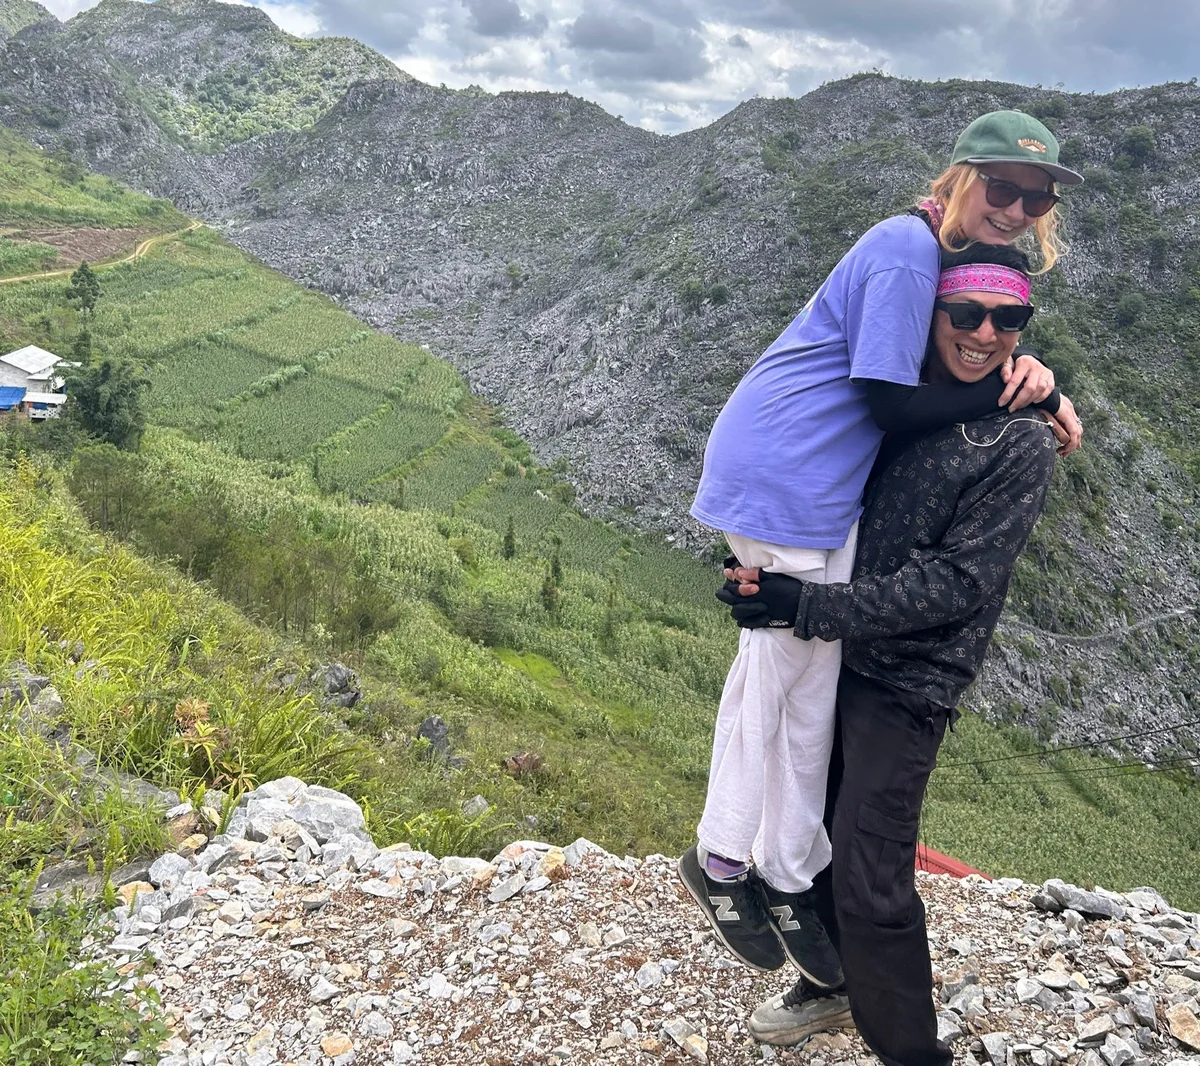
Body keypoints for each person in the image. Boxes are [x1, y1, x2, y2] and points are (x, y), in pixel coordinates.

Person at [678, 109, 1083, 983]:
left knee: (804, 683)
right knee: (782, 676)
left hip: (814, 479)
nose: (1016, 208)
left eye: (1034, 197)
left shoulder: (936, 258)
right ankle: (721, 859)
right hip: (788, 466)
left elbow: (972, 332)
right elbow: (893, 406)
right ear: (960, 177)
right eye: (1001, 189)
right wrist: (1034, 402)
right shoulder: (907, 250)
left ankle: (785, 873)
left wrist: (1032, 370)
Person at [722, 243, 1058, 1065]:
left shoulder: (1019, 441)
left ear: (1022, 326)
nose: (984, 332)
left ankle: (914, 1053)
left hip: (907, 680)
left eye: (1007, 317)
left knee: (872, 870)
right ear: (932, 314)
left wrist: (811, 609)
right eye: (965, 312)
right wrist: (761, 579)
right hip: (832, 653)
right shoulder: (896, 401)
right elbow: (816, 485)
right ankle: (833, 989)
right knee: (813, 833)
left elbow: (957, 583)